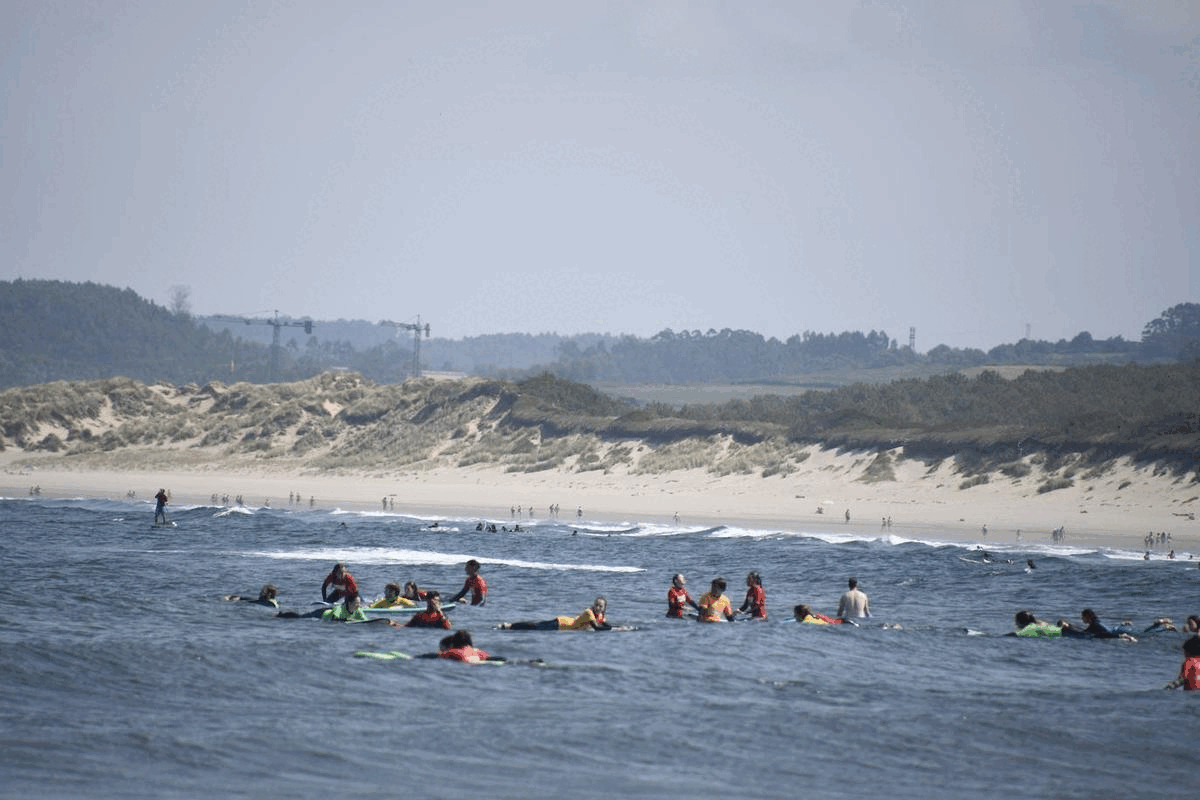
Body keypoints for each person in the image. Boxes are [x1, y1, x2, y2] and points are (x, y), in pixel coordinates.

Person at [499, 597, 611, 631]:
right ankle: (509, 626)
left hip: (562, 627)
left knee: (534, 626)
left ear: (604, 608)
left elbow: (605, 625)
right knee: (534, 627)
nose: (597, 607)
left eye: (600, 606)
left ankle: (510, 626)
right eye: (596, 604)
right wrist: (612, 630)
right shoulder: (589, 612)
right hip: (560, 623)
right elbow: (596, 628)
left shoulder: (600, 616)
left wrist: (619, 628)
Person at [1059, 608, 1136, 641]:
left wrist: (1120, 636)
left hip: (1114, 634)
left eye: (1083, 617)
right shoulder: (1096, 622)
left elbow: (1104, 634)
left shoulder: (1094, 625)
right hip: (1115, 630)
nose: (1082, 619)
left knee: (1098, 635)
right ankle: (1123, 626)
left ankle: (1123, 630)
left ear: (1087, 617)